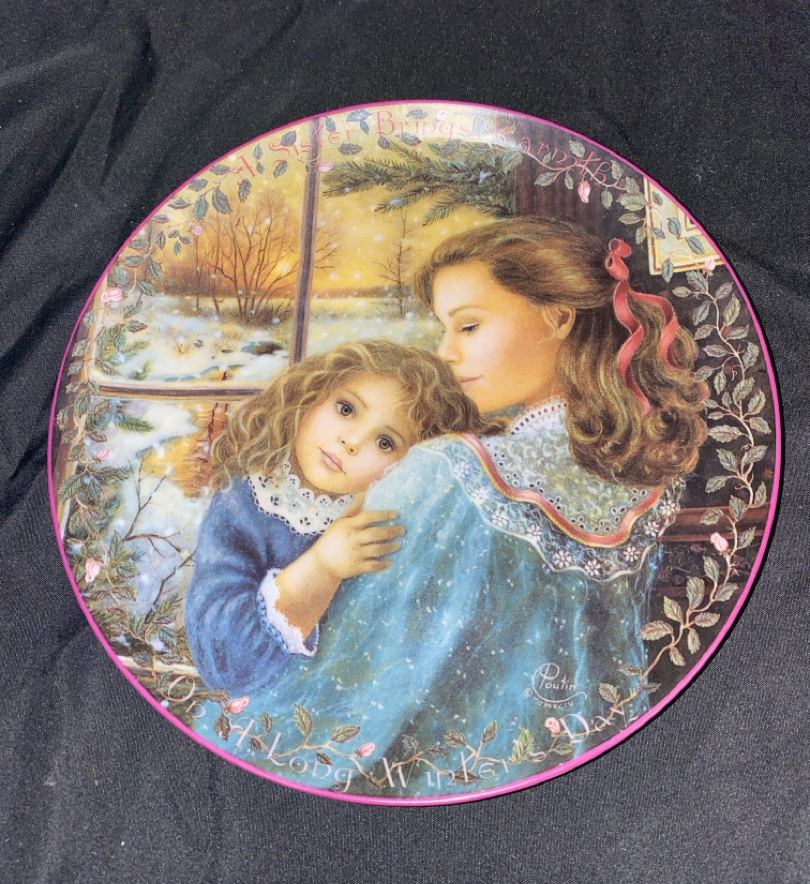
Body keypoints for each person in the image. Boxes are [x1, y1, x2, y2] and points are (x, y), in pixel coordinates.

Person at [194, 218, 708, 798]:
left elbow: (346, 677)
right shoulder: (638, 484)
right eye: (445, 329)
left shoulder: (450, 470)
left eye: (468, 325)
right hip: (586, 776)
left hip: (431, 781)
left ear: (558, 318)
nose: (446, 351)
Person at [185, 339, 502, 696]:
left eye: (385, 442)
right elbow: (224, 662)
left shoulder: (393, 522)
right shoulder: (245, 501)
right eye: (347, 409)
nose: (352, 441)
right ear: (309, 396)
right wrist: (322, 567)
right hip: (270, 702)